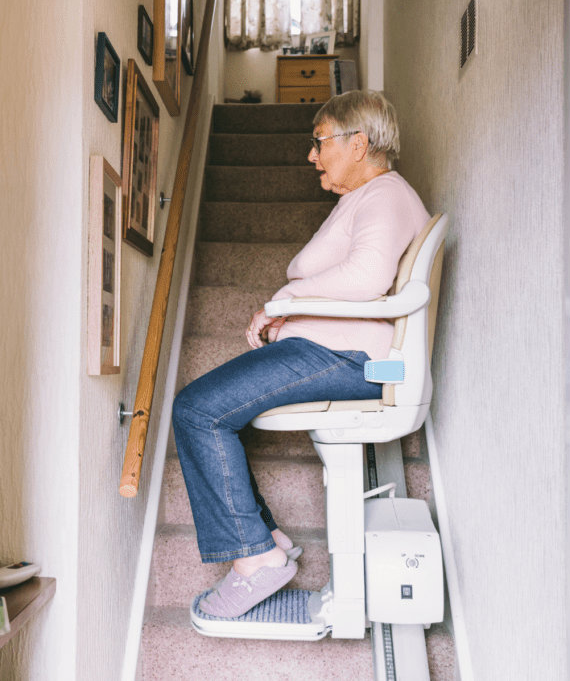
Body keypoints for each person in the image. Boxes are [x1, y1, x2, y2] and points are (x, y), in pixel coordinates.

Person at [172, 90, 431, 618]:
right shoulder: (366, 198)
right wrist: (288, 311)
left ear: (358, 144)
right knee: (205, 407)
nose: (311, 156)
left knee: (198, 411)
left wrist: (285, 301)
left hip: (348, 356)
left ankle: (257, 558)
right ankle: (264, 537)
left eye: (319, 143)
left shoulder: (384, 195)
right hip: (337, 349)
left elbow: (367, 276)